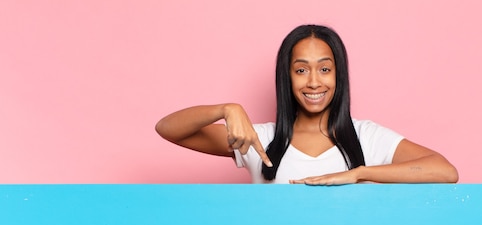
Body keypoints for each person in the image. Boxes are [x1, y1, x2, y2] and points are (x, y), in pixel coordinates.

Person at [155, 24, 458, 185]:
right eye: (301, 70)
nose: (314, 82)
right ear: (286, 77)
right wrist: (227, 109)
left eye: (324, 69)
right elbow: (167, 129)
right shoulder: (259, 141)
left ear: (338, 75)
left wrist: (359, 173)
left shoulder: (367, 137)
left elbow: (444, 171)